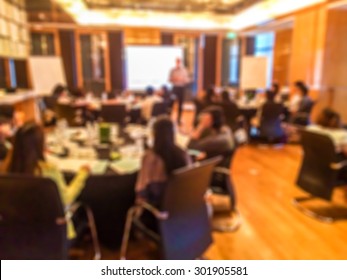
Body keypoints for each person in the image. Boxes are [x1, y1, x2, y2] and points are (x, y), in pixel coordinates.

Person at [4, 122, 90, 239]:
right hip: (53, 233)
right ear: (41, 145)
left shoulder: (5, 172)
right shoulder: (48, 171)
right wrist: (82, 174)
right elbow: (66, 199)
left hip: (15, 235)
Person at [136, 116, 191, 206]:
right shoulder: (183, 154)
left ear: (154, 133)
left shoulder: (150, 157)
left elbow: (141, 188)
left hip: (157, 208)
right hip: (181, 206)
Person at [169, 58, 190, 125]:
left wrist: (181, 79)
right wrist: (174, 79)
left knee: (180, 104)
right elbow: (169, 79)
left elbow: (187, 80)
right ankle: (169, 118)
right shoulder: (172, 70)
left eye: (179, 61)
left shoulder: (184, 70)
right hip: (174, 88)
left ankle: (178, 119)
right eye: (177, 61)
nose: (178, 63)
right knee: (171, 103)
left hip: (181, 88)